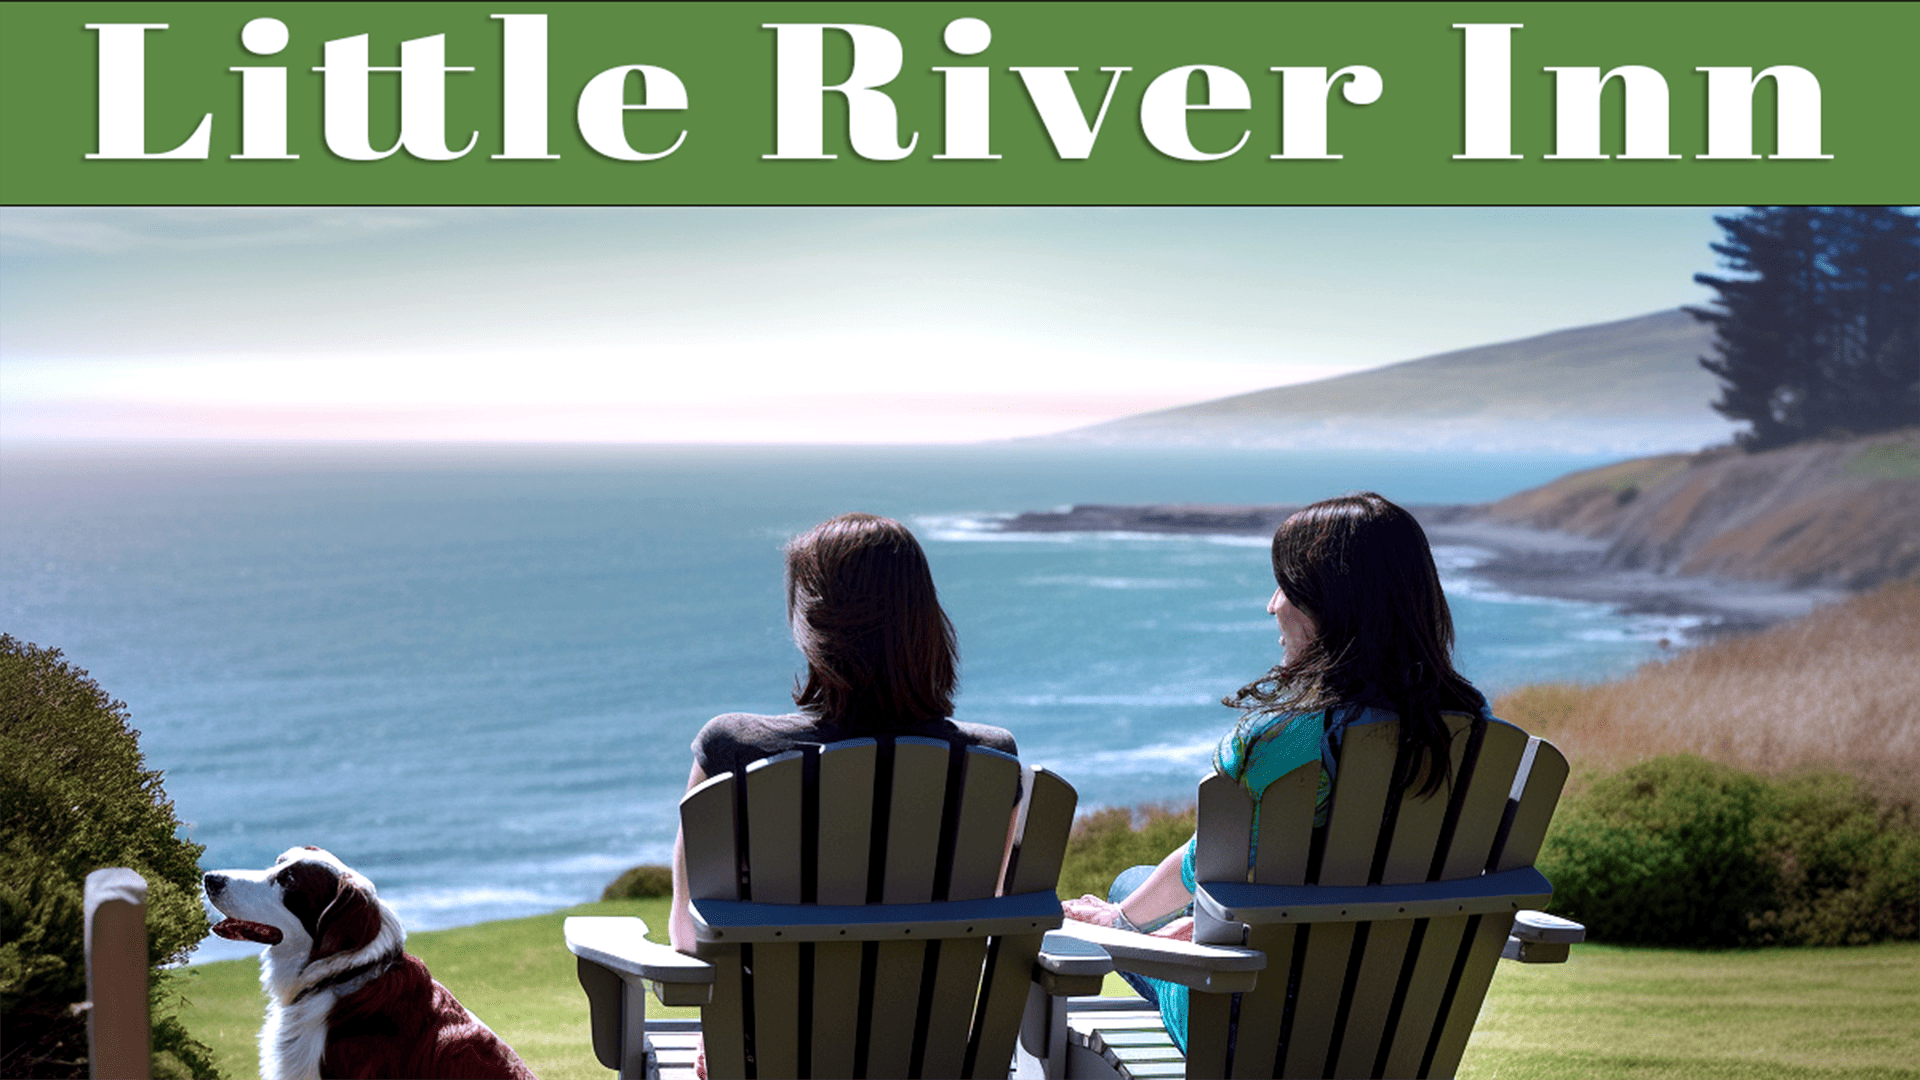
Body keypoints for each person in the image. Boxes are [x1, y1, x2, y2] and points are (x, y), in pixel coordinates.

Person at [1061, 492, 1490, 1053]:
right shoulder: (1472, 729)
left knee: (1127, 891)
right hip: (1395, 1032)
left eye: (1287, 587)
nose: (1271, 605)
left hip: (1248, 1031)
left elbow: (1204, 867)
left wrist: (1119, 926)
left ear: (1331, 601)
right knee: (1148, 896)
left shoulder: (1280, 741)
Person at [667, 512, 1018, 954]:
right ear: (926, 617)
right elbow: (985, 921)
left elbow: (686, 935)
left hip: (769, 1021)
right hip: (932, 1019)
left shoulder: (732, 748)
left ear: (812, 625)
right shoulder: (991, 760)